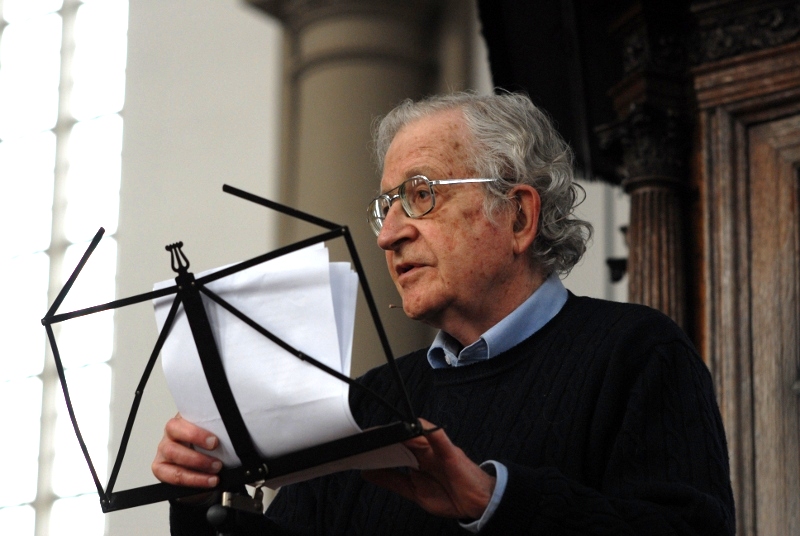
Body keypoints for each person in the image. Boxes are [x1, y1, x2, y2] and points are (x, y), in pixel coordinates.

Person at [153, 92, 735, 535]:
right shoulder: (368, 403)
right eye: (387, 206)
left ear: (517, 215)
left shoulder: (637, 353)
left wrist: (492, 501)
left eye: (421, 194)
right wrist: (202, 496)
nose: (388, 235)